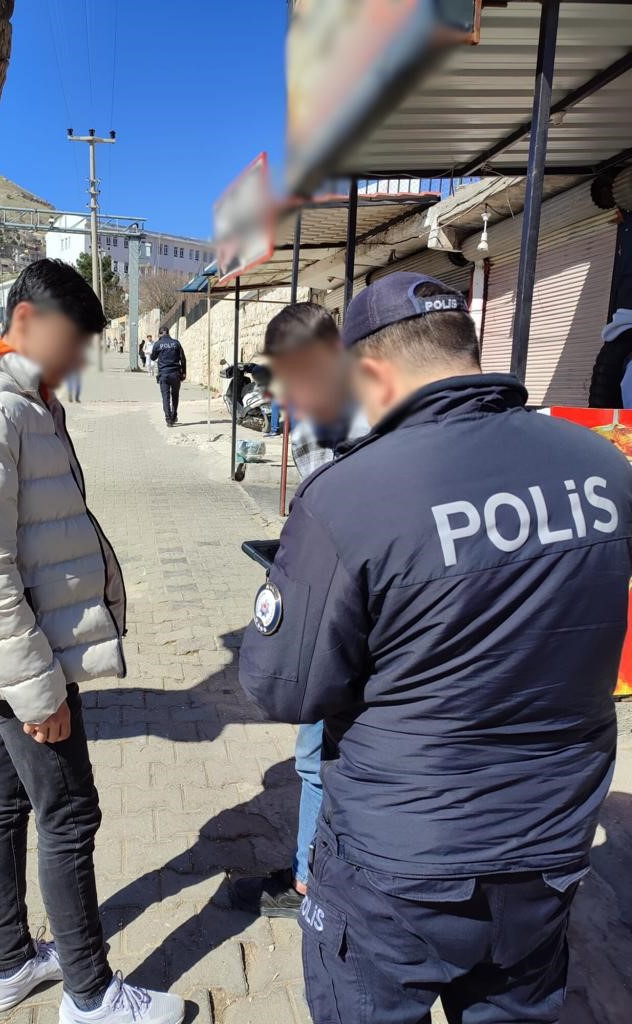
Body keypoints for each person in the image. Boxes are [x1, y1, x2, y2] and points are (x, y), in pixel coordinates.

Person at [239, 271, 632, 1024]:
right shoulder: (603, 468)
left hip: (399, 865)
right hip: (547, 850)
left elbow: (283, 689)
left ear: (374, 370)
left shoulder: (352, 494)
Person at [0, 259, 184, 1024]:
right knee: (68, 813)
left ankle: (9, 965)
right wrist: (38, 687)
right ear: (26, 321)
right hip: (23, 655)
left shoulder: (20, 400)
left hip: (15, 652)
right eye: (71, 344)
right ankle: (92, 995)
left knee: (7, 802)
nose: (76, 363)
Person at [232, 303, 367, 919]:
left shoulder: (319, 404)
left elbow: (328, 507)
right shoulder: (370, 385)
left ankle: (312, 884)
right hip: (393, 590)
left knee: (315, 755)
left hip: (347, 601)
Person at [151, 326, 186, 427]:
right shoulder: (176, 343)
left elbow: (153, 357)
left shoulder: (158, 344)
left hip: (164, 375)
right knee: (175, 396)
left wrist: (158, 345)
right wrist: (184, 372)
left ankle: (168, 419)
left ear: (160, 334)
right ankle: (174, 416)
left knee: (165, 397)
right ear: (168, 333)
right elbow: (183, 359)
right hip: (175, 374)